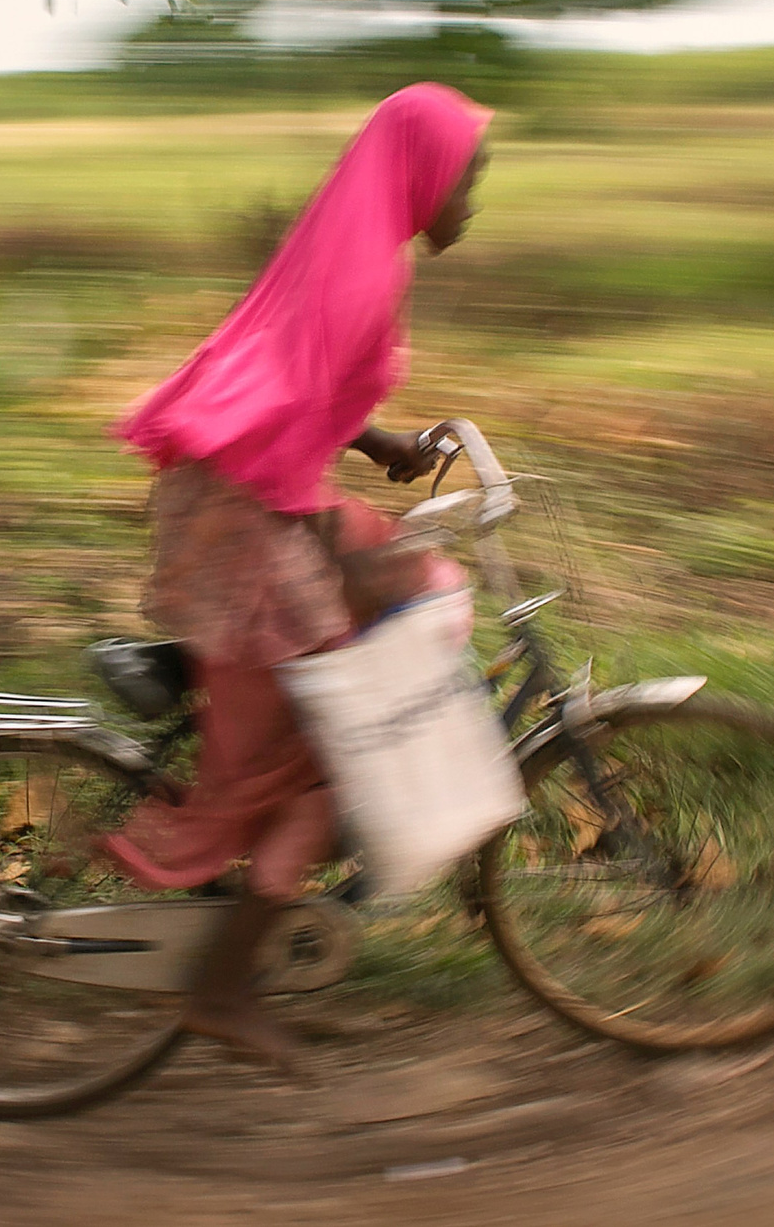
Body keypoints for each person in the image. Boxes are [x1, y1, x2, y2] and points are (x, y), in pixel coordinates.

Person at [102, 80, 492, 1071]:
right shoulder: (365, 272)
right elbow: (284, 437)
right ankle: (223, 991)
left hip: (250, 496)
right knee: (344, 733)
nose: (474, 198)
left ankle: (267, 924)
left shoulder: (360, 249)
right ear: (424, 172)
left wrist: (376, 444)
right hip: (247, 519)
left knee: (402, 602)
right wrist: (344, 569)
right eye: (469, 175)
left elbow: (292, 380)